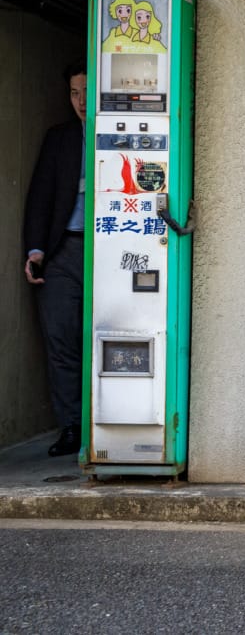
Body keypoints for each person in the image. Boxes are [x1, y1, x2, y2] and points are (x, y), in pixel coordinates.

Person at [23, 60, 88, 457]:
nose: (80, 101)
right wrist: (35, 250)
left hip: (113, 249)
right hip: (63, 249)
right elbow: (39, 198)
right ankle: (71, 427)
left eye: (86, 91)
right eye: (73, 93)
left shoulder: (123, 133)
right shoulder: (59, 138)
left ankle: (104, 425)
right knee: (61, 340)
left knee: (107, 338)